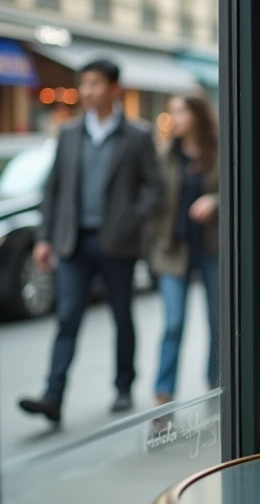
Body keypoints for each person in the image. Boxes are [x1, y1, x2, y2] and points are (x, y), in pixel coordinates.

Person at [18, 59, 163, 423]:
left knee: (120, 315)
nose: (87, 91)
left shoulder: (137, 135)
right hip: (73, 242)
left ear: (115, 88)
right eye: (84, 84)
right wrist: (44, 237)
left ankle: (123, 385)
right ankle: (53, 396)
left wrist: (132, 219)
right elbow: (53, 189)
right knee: (68, 317)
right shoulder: (68, 134)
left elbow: (155, 188)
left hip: (118, 243)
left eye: (95, 84)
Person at [150, 93, 220, 405]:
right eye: (171, 112)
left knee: (218, 321)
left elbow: (237, 189)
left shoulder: (219, 152)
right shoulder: (166, 155)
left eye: (180, 111)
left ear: (197, 115)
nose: (174, 118)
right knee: (173, 322)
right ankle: (163, 395)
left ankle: (217, 383)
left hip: (212, 248)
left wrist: (215, 201)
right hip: (173, 248)